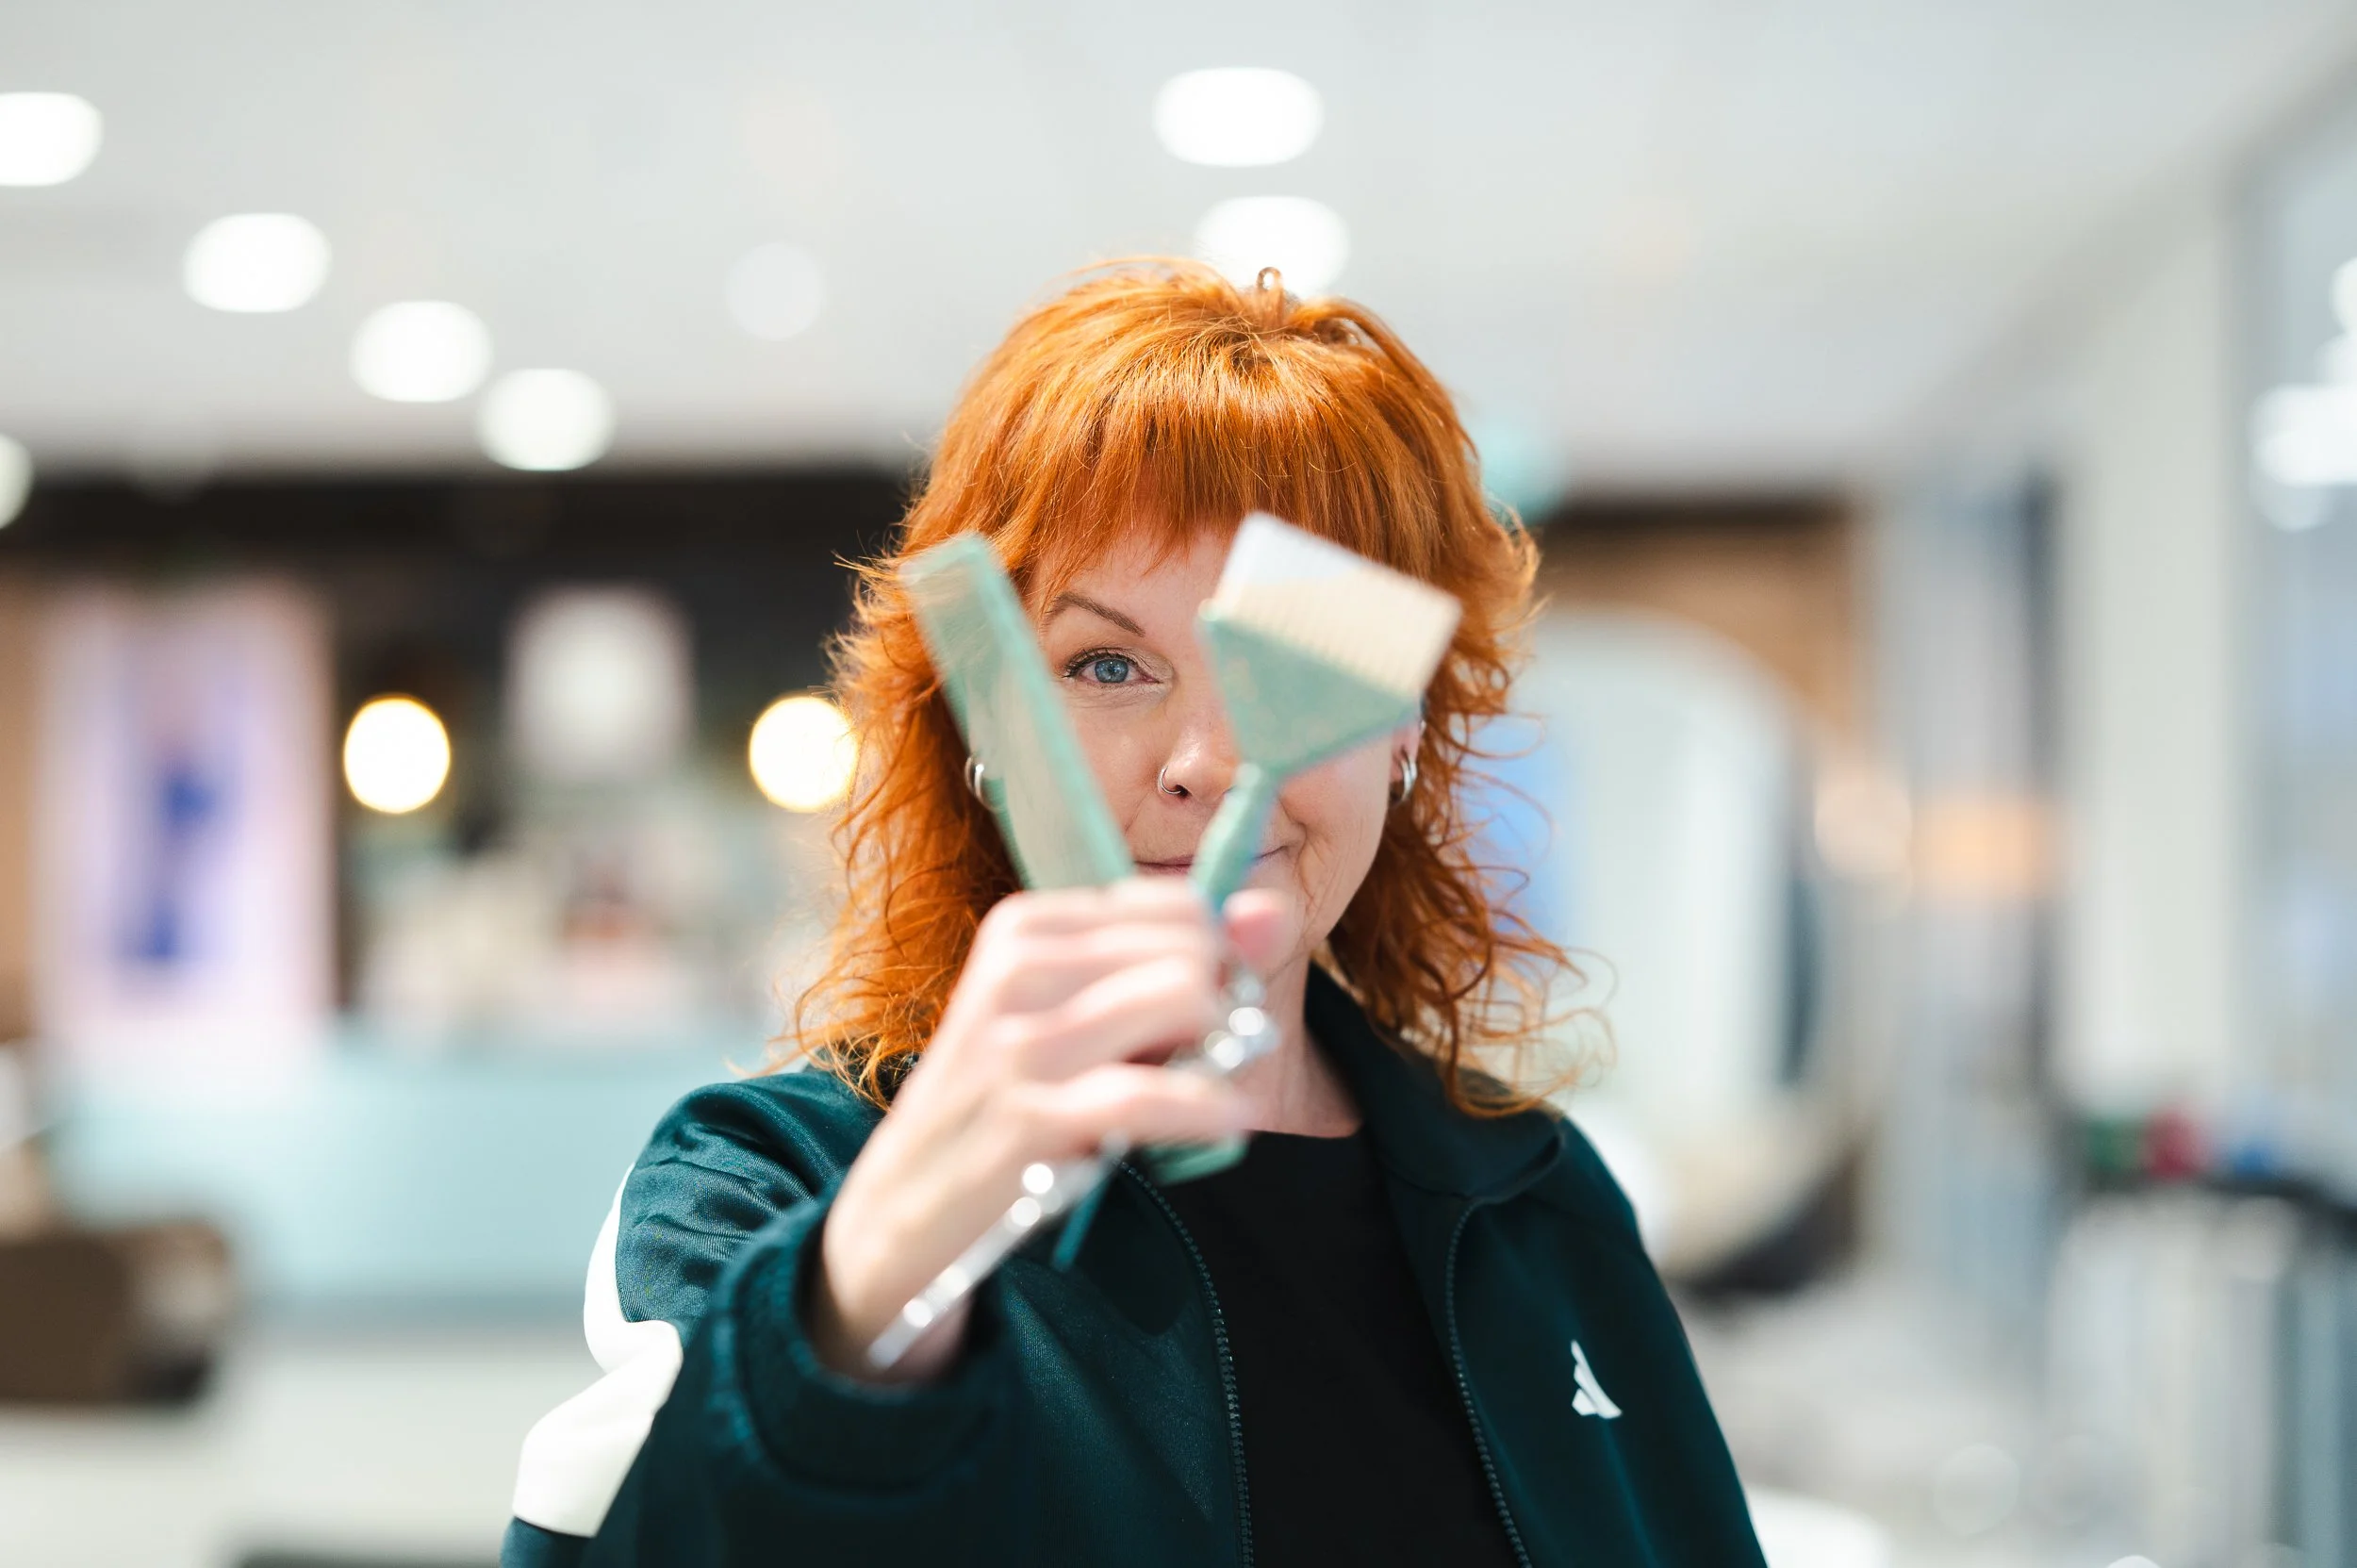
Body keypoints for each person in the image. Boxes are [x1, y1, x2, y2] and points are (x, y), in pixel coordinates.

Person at [502, 260, 1768, 1567]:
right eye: (1108, 664)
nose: (1206, 764)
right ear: (980, 731)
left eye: (1289, 665)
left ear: (1404, 728)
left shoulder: (1538, 1204)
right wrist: (869, 1291)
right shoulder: (764, 1188)